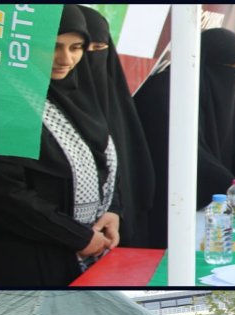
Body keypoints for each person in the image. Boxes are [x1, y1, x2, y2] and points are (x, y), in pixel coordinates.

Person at [0, 5, 121, 286]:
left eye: (76, 47)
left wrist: (112, 210)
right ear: (23, 47)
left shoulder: (77, 94)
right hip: (27, 259)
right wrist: (77, 236)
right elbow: (4, 193)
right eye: (52, 47)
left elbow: (100, 158)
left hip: (80, 252)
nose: (66, 59)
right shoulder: (4, 101)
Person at [134, 28, 235, 242]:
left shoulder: (228, 92)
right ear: (204, 62)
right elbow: (184, 152)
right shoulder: (165, 91)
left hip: (210, 212)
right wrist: (231, 189)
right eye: (228, 68)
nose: (232, 75)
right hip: (168, 204)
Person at [74, 5, 155, 249]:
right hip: (72, 235)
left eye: (99, 49)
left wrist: (117, 208)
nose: (90, 58)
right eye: (82, 49)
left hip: (117, 222)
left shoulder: (115, 97)